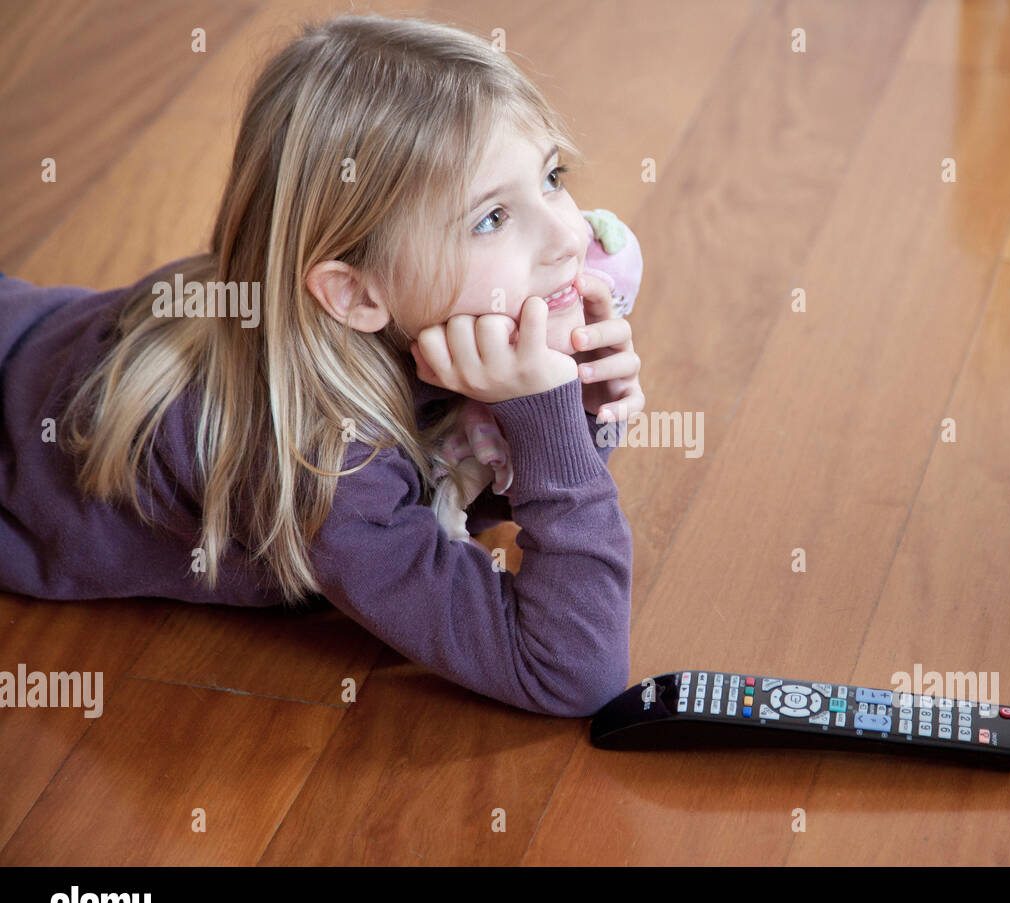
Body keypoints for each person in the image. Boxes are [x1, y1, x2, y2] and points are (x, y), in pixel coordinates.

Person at [0, 13, 646, 718]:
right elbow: (574, 671)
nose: (570, 233)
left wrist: (575, 411)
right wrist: (547, 428)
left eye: (552, 176)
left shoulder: (359, 324)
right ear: (355, 293)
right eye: (491, 217)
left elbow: (468, 489)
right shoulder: (325, 467)